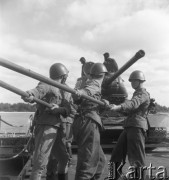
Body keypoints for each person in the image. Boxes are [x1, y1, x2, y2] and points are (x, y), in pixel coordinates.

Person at [22, 63, 72, 180]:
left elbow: (68, 109)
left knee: (64, 159)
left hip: (57, 127)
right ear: (63, 75)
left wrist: (59, 109)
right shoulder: (46, 83)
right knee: (40, 164)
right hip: (46, 126)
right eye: (66, 75)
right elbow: (36, 91)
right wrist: (29, 95)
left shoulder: (64, 89)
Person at [109, 70, 150, 180]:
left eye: (133, 81)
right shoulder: (136, 93)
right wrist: (116, 108)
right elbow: (129, 109)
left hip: (136, 127)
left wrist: (118, 107)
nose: (131, 83)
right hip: (129, 126)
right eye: (131, 81)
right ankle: (113, 176)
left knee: (136, 158)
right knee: (117, 155)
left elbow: (133, 104)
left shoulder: (143, 94)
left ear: (140, 81)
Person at [72, 63, 108, 180]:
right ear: (102, 75)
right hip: (88, 123)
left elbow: (87, 98)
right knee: (87, 166)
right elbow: (87, 91)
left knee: (100, 162)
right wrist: (81, 93)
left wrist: (103, 102)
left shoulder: (87, 81)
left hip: (84, 121)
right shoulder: (95, 83)